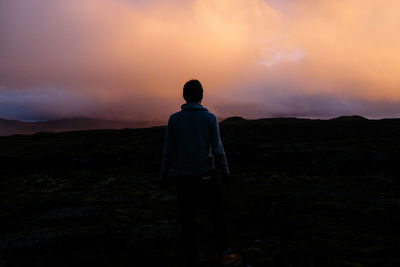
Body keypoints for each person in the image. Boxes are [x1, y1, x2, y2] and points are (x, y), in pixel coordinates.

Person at [159, 80, 240, 266]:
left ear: (184, 96)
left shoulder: (174, 119)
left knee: (187, 217)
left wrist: (163, 174)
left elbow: (168, 151)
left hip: (183, 176)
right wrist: (226, 172)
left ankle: (192, 256)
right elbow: (218, 149)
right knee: (216, 214)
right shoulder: (210, 119)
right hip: (206, 174)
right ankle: (224, 252)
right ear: (201, 96)